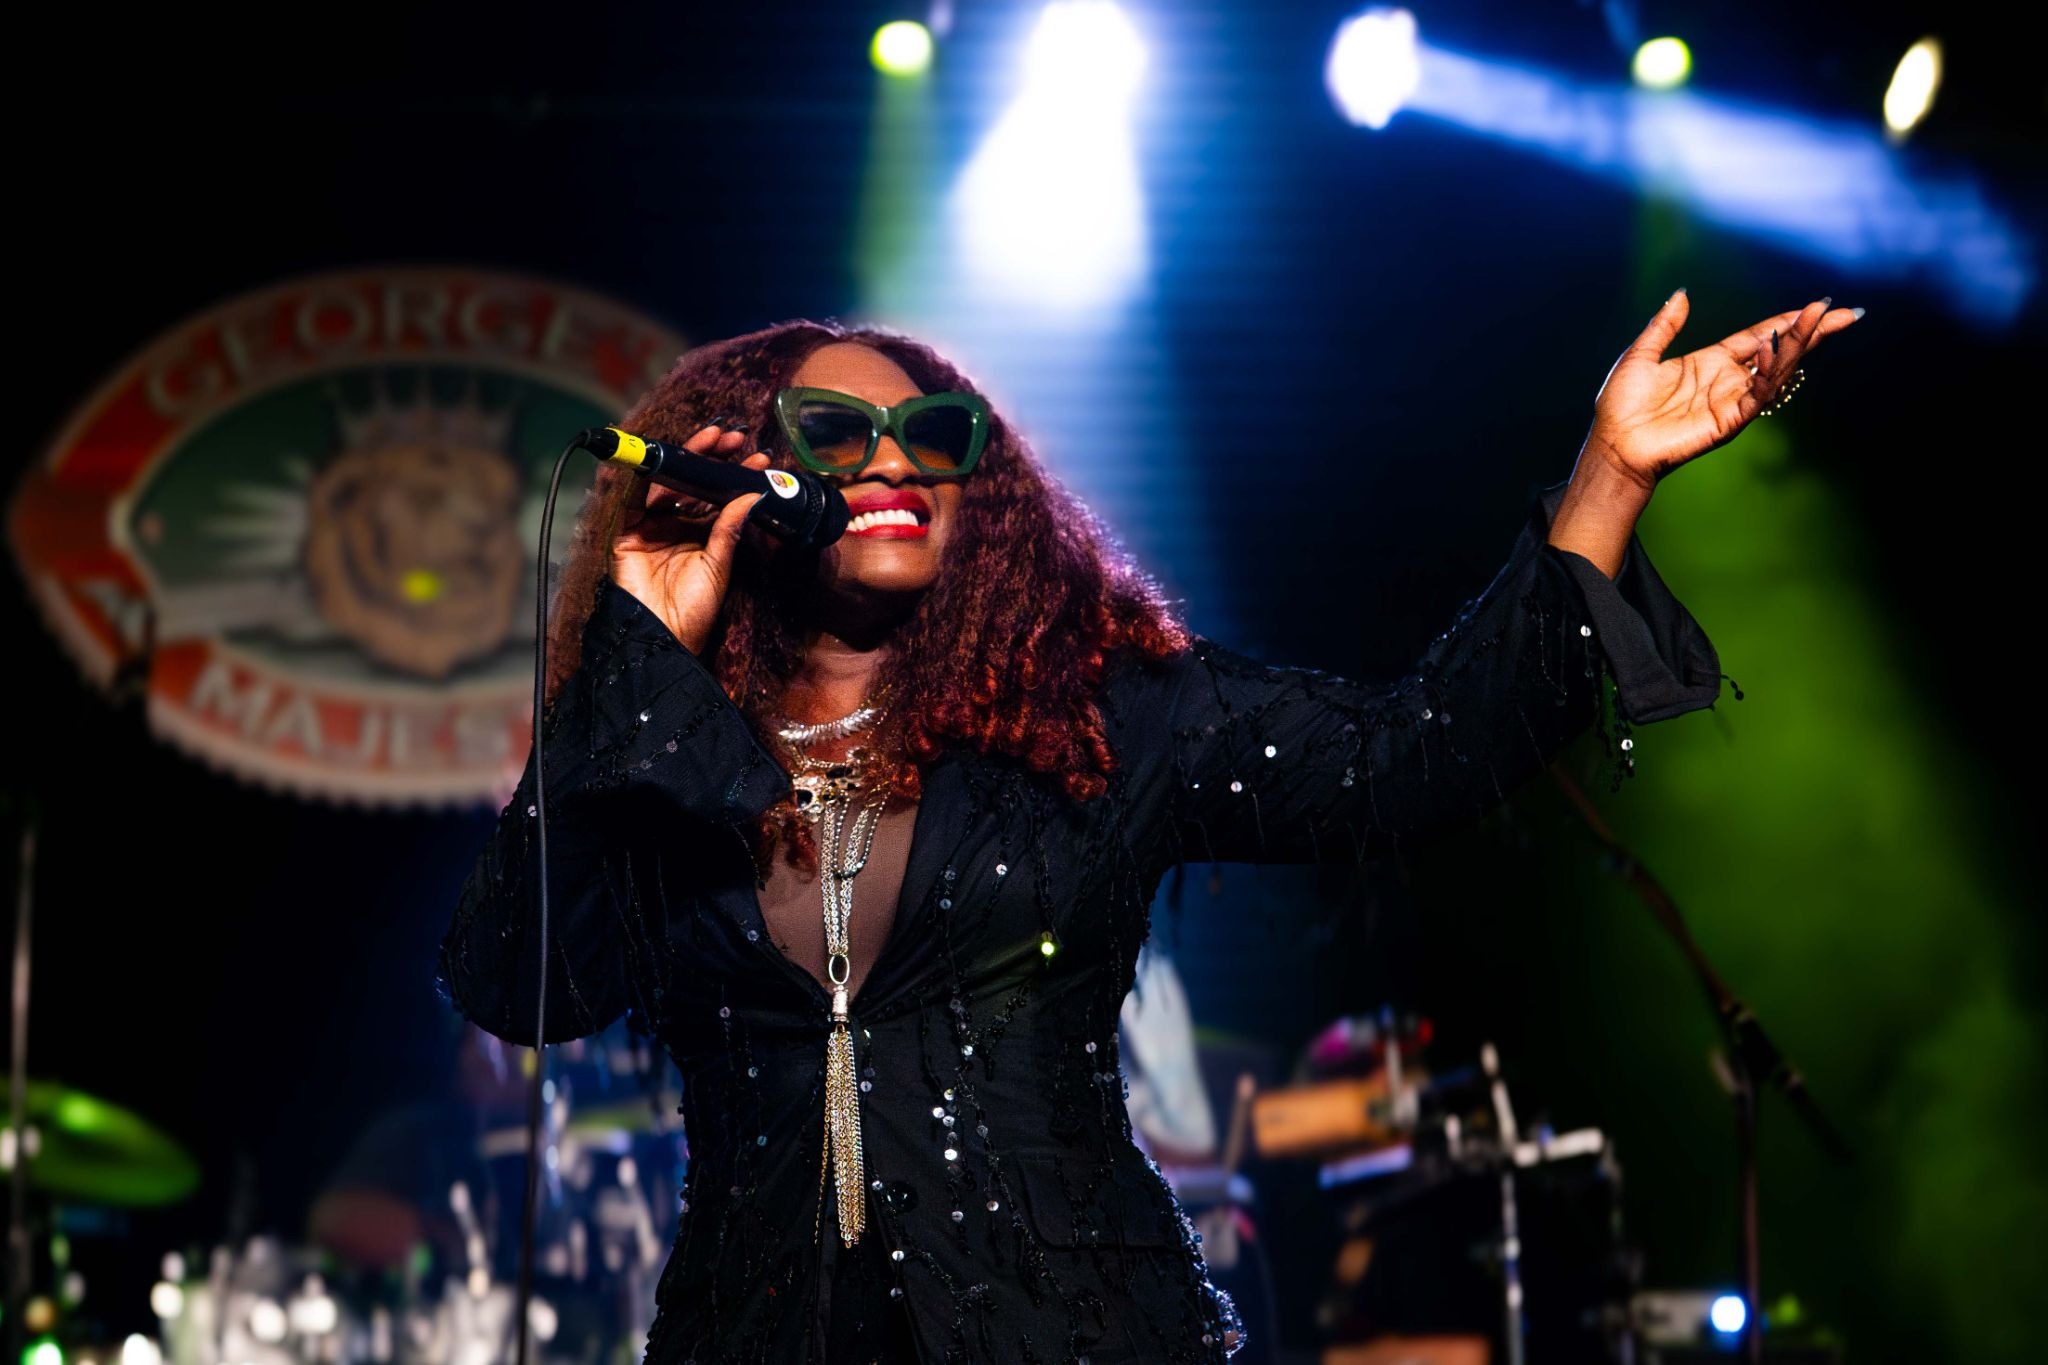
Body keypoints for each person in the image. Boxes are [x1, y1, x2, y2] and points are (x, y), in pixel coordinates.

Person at [439, 293, 1858, 1364]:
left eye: (934, 438)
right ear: (750, 469)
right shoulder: (671, 751)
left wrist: (1611, 473)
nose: (894, 459)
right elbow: (524, 983)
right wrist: (636, 653)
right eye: (838, 432)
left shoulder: (1093, 716)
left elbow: (1412, 754)